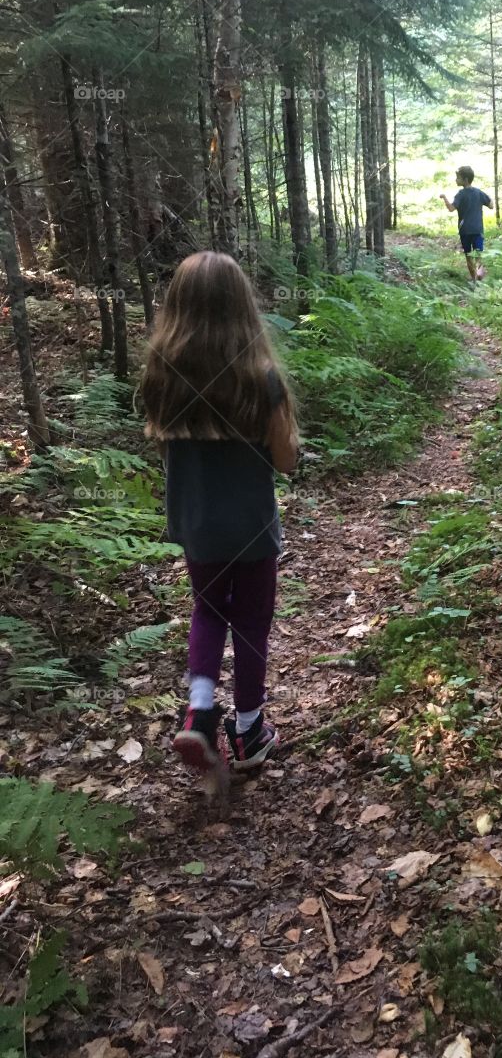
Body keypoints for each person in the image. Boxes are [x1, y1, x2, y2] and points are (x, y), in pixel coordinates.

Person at [140, 251, 299, 773]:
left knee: (208, 610)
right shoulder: (262, 378)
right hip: (251, 527)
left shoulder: (162, 377)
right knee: (252, 622)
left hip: (197, 525)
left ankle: (200, 712)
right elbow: (285, 459)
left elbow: (164, 448)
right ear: (242, 307)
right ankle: (249, 732)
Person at [440, 165, 493, 284]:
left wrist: (444, 198)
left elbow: (451, 208)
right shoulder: (479, 193)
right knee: (478, 254)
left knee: (468, 256)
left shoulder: (460, 194)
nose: (456, 180)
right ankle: (480, 273)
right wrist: (490, 198)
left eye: (458, 178)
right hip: (477, 229)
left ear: (465, 180)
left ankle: (474, 280)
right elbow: (491, 205)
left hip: (465, 230)